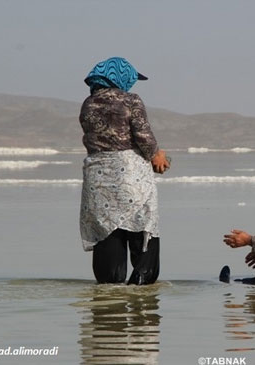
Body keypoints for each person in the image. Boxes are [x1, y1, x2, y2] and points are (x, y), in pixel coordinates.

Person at [79, 57, 170, 285]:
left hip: (98, 176)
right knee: (142, 227)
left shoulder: (88, 104)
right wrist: (157, 155)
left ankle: (110, 302)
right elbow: (143, 135)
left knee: (108, 231)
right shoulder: (131, 101)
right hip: (129, 175)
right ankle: (143, 289)